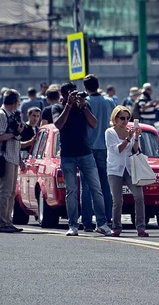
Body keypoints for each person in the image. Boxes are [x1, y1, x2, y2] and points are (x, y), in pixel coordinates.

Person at [53, 82, 113, 236]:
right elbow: (58, 124)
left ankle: (102, 223)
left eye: (75, 93)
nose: (73, 96)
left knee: (96, 189)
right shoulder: (59, 107)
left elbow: (94, 124)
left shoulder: (83, 106)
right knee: (71, 191)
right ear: (64, 95)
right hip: (68, 155)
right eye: (70, 94)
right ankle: (73, 225)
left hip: (86, 152)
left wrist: (84, 106)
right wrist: (68, 106)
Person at [105, 105, 149, 237]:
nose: (125, 120)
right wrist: (129, 138)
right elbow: (116, 150)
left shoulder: (130, 131)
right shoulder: (110, 132)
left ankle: (141, 228)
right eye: (122, 118)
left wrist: (136, 137)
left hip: (130, 168)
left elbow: (136, 150)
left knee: (139, 196)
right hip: (114, 168)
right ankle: (116, 227)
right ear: (115, 118)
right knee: (117, 200)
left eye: (127, 118)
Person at [81, 74, 116, 230]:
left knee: (87, 187)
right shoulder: (109, 101)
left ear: (85, 87)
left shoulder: (86, 103)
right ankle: (107, 218)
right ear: (98, 85)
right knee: (105, 186)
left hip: (88, 148)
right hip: (105, 147)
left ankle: (87, 222)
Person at [0, 89, 25, 233]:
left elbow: (15, 139)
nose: (19, 104)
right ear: (14, 102)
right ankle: (1, 223)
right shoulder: (1, 115)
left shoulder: (11, 115)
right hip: (4, 157)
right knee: (5, 192)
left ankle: (8, 221)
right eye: (18, 101)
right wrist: (13, 133)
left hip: (12, 156)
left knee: (11, 192)